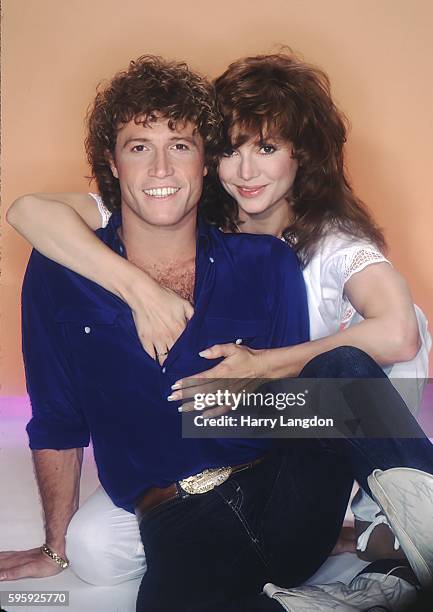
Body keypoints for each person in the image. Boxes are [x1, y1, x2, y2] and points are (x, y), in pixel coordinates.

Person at [5, 54, 433, 610]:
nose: (161, 169)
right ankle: (356, 598)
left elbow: (368, 353)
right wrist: (54, 547)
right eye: (139, 147)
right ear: (112, 164)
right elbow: (58, 417)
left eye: (180, 146)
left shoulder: (273, 260)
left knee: (342, 367)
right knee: (126, 575)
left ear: (199, 163)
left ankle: (416, 525)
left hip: (284, 492)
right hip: (178, 519)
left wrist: (255, 376)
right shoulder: (70, 261)